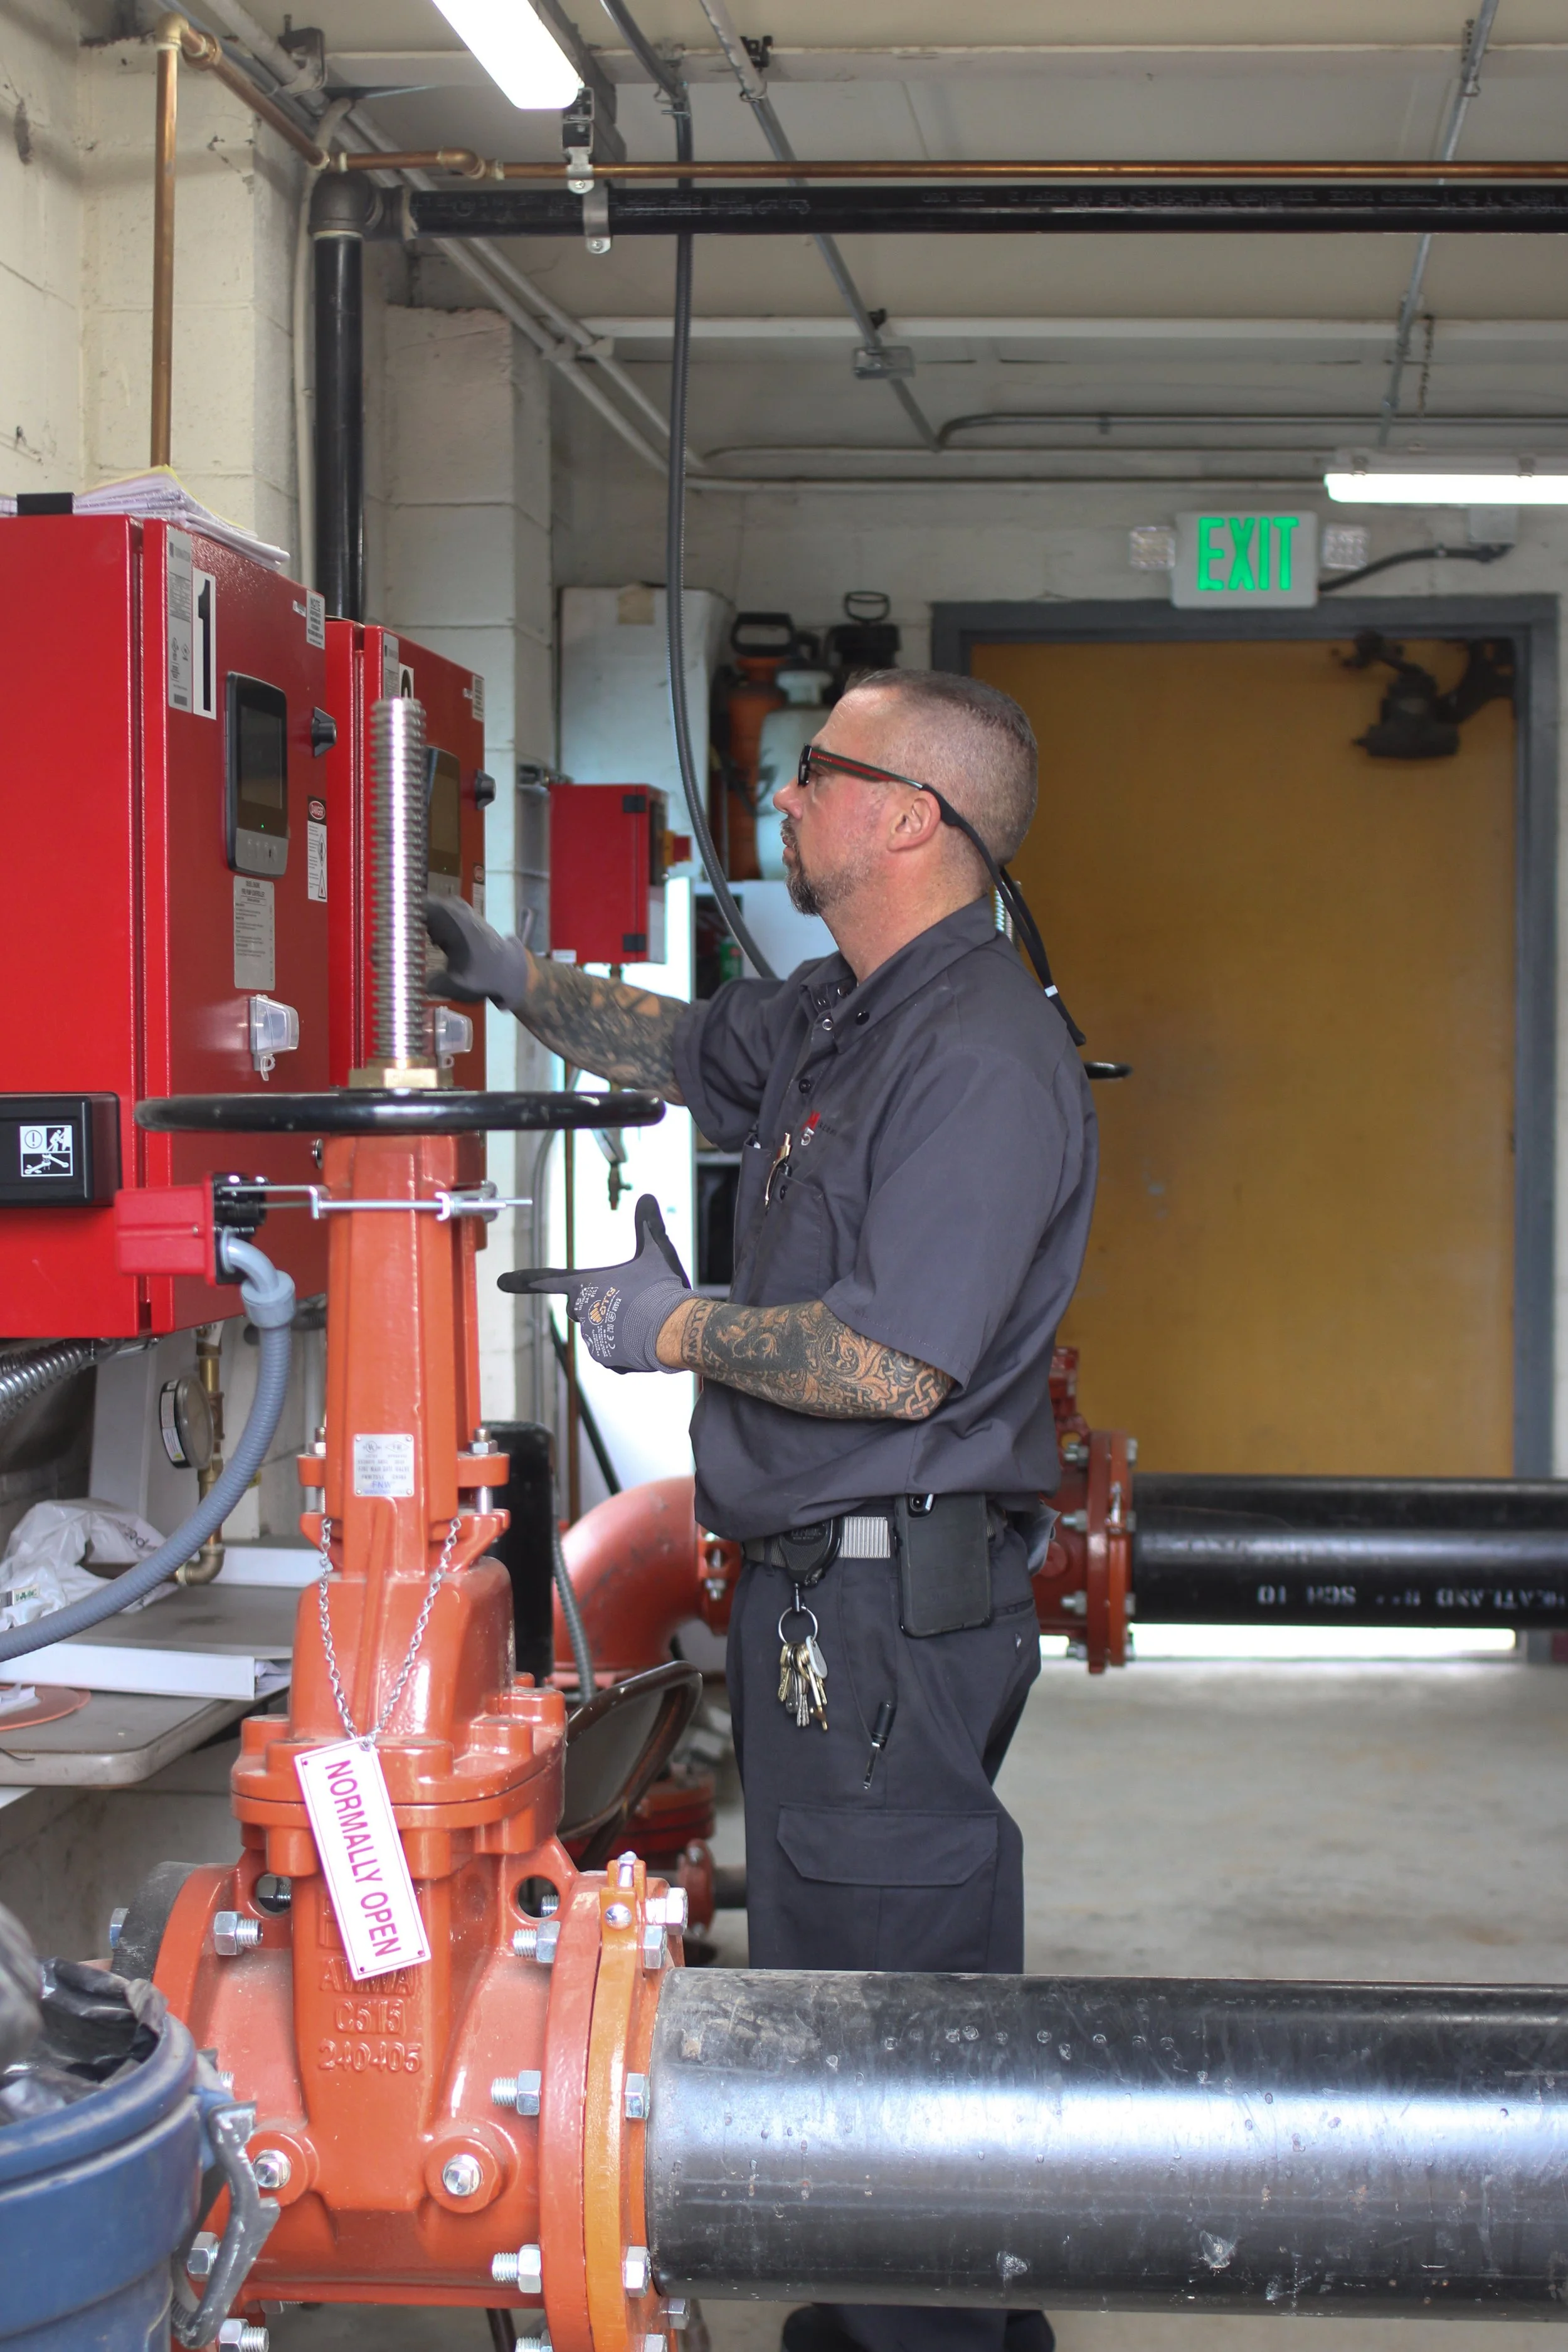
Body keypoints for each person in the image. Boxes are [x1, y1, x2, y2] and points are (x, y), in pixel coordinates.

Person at [428, 669, 1097, 2352]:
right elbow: (675, 1044)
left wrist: (675, 1326)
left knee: (886, 2029)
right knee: (827, 1986)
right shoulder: (838, 1010)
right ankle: (874, 2319)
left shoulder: (978, 1053)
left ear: (903, 816)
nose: (778, 802)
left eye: (814, 775)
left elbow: (890, 1365)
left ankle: (930, 2334)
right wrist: (502, 976)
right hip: (822, 1604)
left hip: (882, 1618)